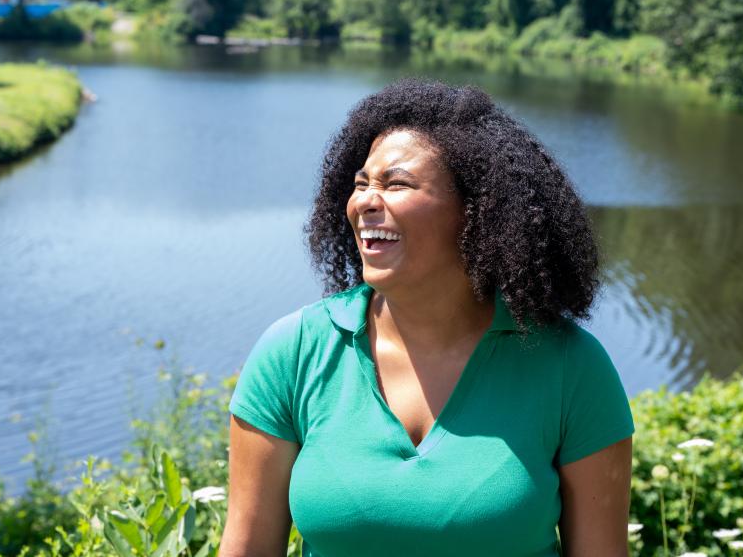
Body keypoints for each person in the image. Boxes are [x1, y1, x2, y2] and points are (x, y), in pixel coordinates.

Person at [219, 79, 634, 557]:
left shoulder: (570, 367)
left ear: (479, 212)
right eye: (361, 184)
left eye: (396, 184)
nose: (365, 202)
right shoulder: (294, 351)